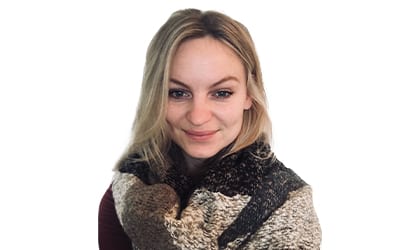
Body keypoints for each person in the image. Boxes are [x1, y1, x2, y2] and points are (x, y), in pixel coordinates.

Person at [98, 8, 321, 250]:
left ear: (249, 95)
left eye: (221, 93)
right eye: (178, 93)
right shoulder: (129, 193)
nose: (198, 116)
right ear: (156, 97)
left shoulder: (287, 208)